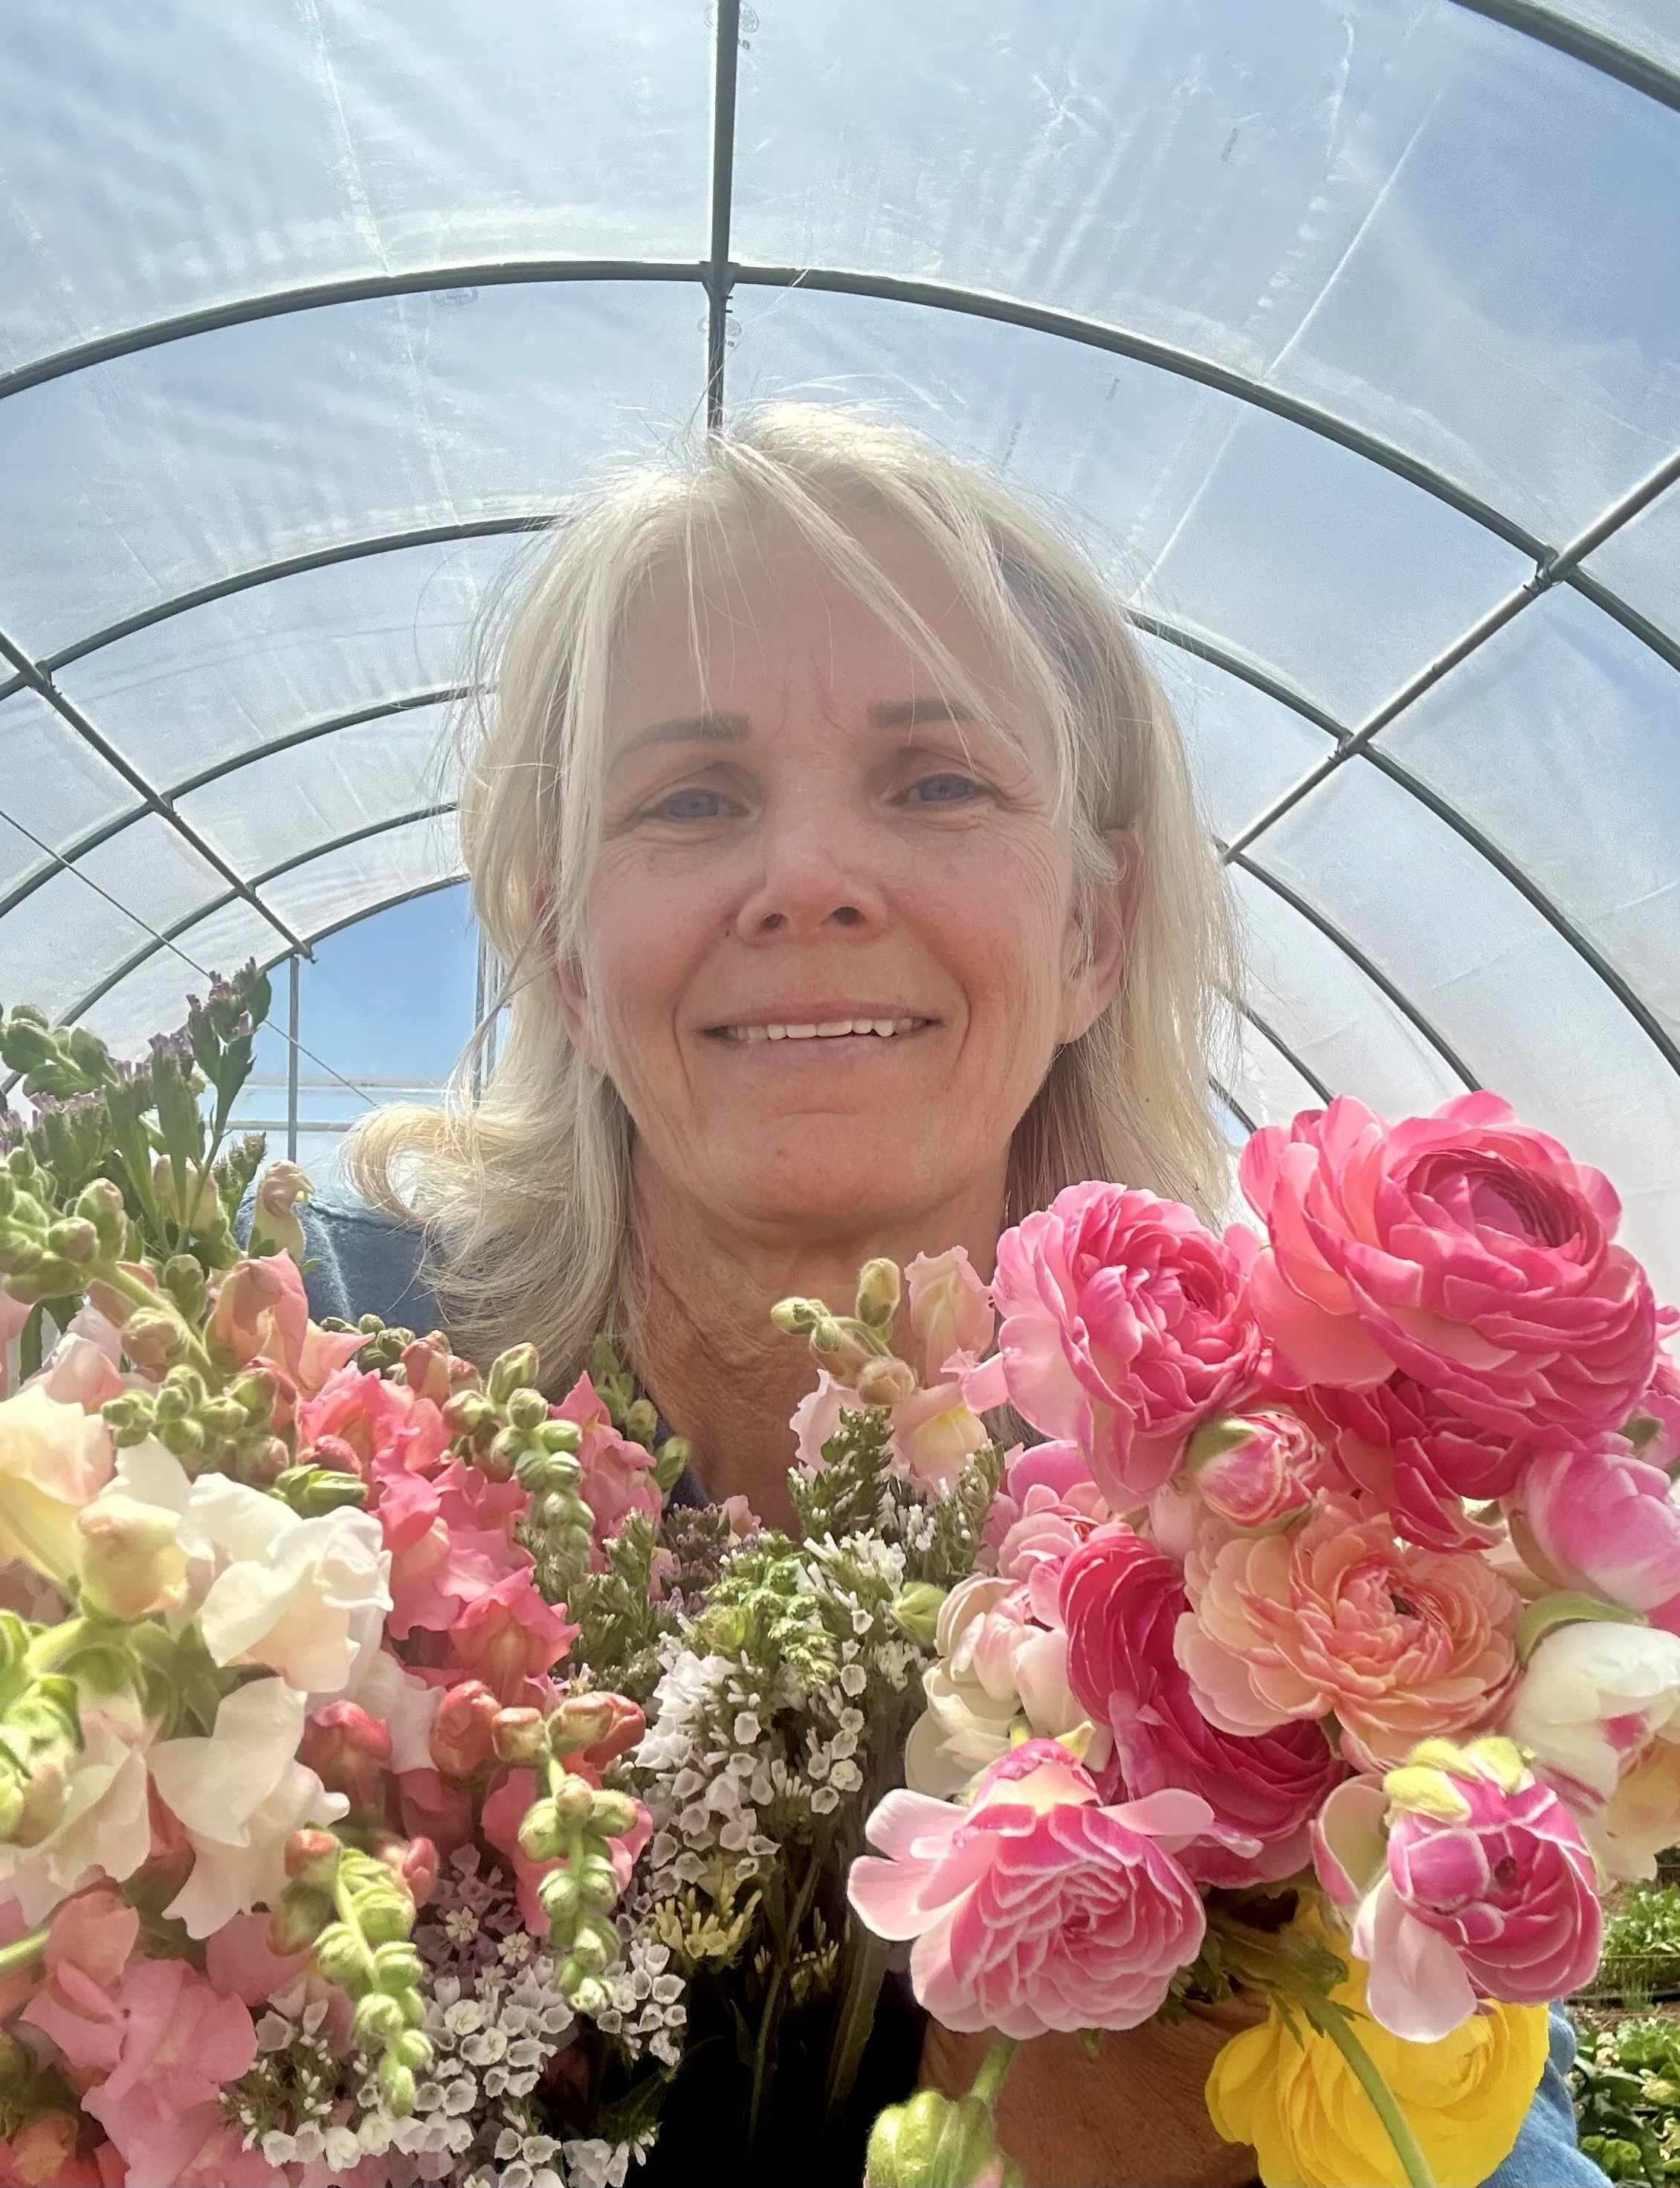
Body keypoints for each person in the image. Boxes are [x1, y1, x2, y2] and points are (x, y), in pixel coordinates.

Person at [297, 405, 1605, 2187]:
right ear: (556, 947)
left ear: (1088, 931)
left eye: (934, 783)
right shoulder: (304, 1387)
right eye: (691, 798)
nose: (809, 881)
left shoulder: (1312, 1533)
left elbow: (1480, 2120)